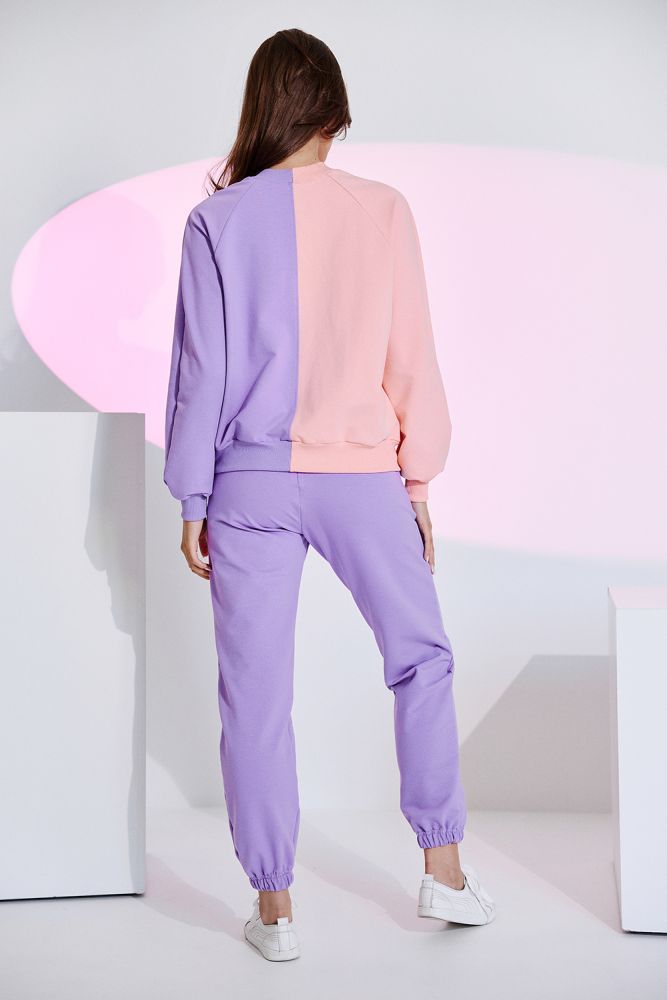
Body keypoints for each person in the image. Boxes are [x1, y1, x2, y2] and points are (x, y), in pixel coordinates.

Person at [163, 27, 495, 962]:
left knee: (254, 695)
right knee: (420, 660)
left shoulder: (217, 221)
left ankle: (274, 914)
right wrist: (415, 480)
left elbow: (199, 374)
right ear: (335, 114)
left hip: (248, 484)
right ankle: (445, 873)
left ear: (261, 110)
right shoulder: (383, 210)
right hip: (361, 479)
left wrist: (192, 498)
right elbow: (410, 356)